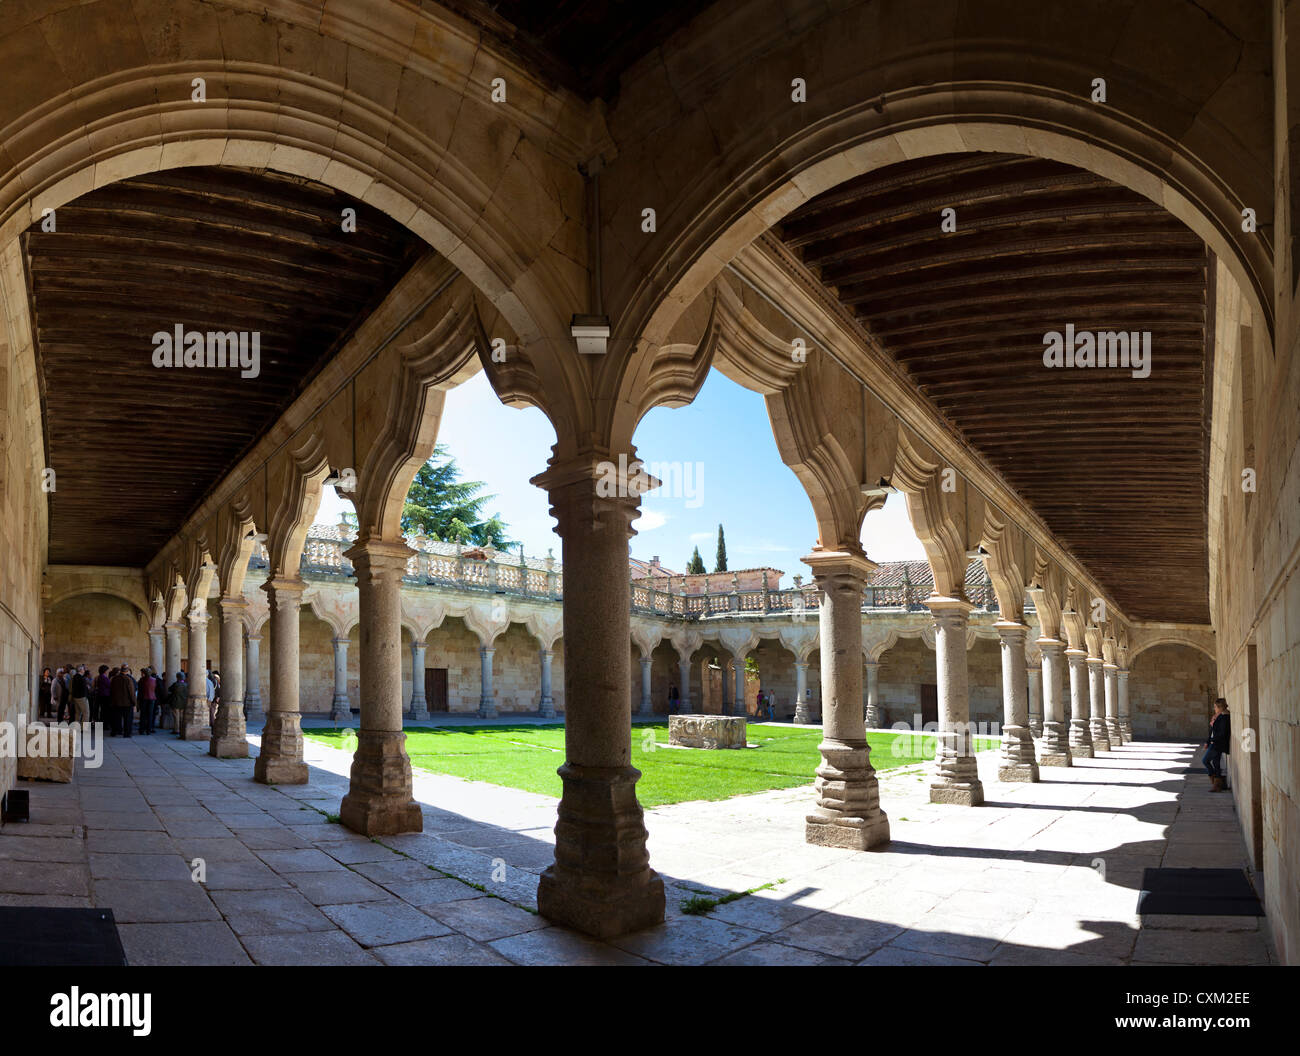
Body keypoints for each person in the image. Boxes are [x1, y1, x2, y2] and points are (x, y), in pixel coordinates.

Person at [1203, 697, 1231, 792]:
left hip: (1217, 744)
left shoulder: (1224, 717)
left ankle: (1215, 782)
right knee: (1216, 763)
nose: (1214, 708)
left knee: (1205, 761)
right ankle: (1218, 785)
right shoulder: (1218, 716)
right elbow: (1212, 731)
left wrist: (1212, 740)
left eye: (1215, 706)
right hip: (1213, 742)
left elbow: (1222, 732)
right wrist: (1208, 741)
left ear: (1220, 707)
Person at [109, 663, 137, 738]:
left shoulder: (114, 678)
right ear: (127, 671)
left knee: (116, 718)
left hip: (116, 702)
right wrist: (134, 702)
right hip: (127, 703)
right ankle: (127, 733)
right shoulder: (128, 679)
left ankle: (115, 732)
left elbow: (111, 690)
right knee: (127, 719)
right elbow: (131, 692)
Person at [137, 667, 157, 735]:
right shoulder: (154, 680)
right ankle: (148, 730)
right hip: (151, 698)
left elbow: (139, 689)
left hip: (144, 698)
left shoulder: (141, 680)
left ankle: (142, 730)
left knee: (143, 715)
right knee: (150, 715)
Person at [167, 672, 188, 736]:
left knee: (176, 717)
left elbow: (169, 689)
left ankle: (176, 730)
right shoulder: (186, 685)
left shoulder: (176, 684)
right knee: (181, 717)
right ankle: (182, 729)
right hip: (183, 703)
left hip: (176, 702)